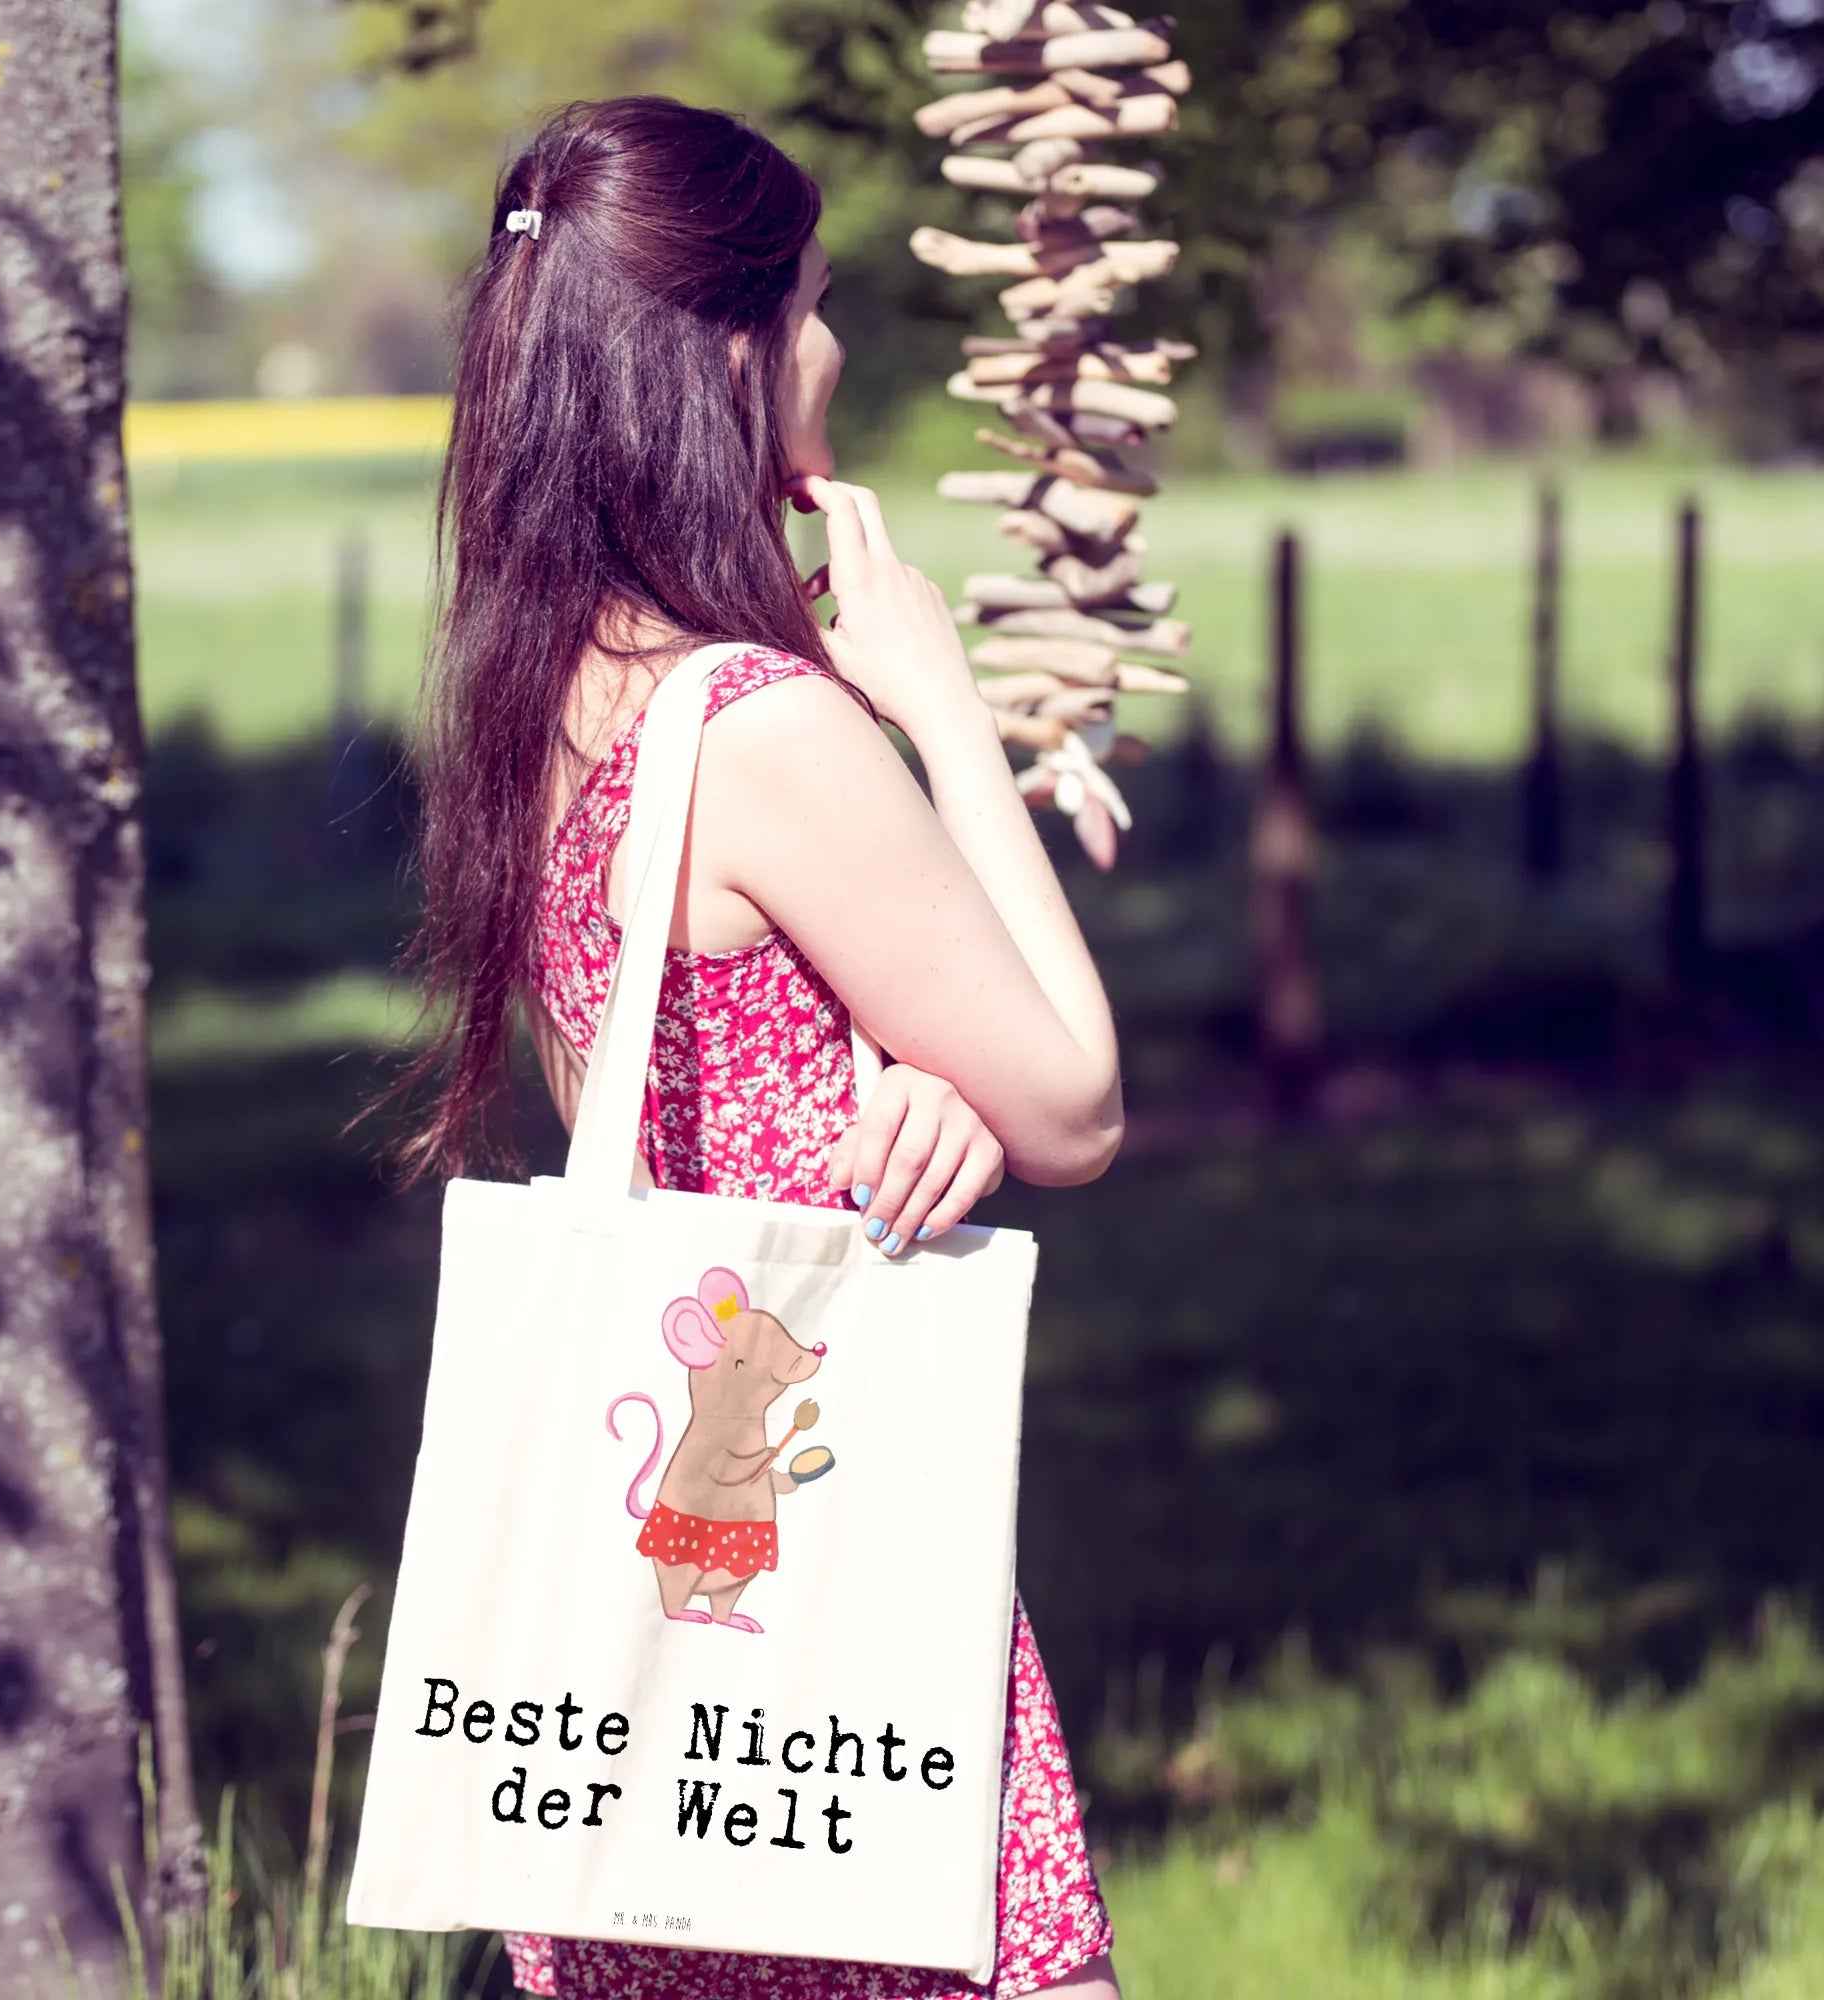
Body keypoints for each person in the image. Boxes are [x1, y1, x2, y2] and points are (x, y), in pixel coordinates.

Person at [388, 94, 1127, 2000]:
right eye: (810, 303)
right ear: (727, 349)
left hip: (644, 1694)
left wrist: (903, 1074)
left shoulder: (544, 693)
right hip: (832, 1621)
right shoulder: (767, 729)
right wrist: (944, 715)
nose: (834, 348)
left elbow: (660, 1087)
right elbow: (1075, 1100)